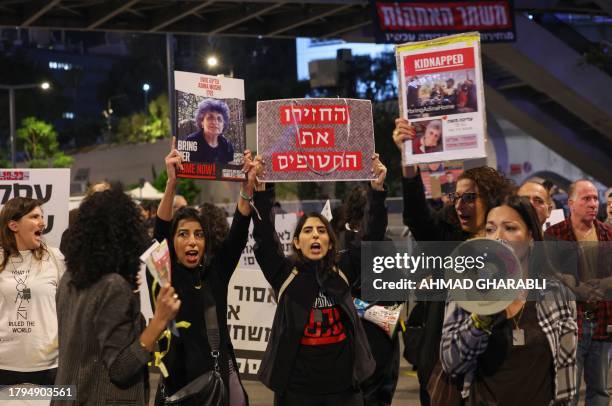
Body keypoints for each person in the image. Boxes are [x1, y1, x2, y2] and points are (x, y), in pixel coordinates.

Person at [392, 117, 515, 405]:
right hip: (445, 374)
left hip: (496, 371)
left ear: (492, 198)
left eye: (469, 198)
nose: (459, 205)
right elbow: (416, 217)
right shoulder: (446, 239)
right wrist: (408, 158)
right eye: (456, 197)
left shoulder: (513, 245)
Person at [251, 154, 388, 406]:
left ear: (330, 241)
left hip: (344, 391)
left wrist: (376, 191)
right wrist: (263, 188)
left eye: (321, 230)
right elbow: (264, 238)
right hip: (296, 393)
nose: (315, 235)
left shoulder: (343, 269)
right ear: (296, 242)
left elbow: (372, 238)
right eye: (308, 230)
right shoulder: (285, 274)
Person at [150, 139, 259, 405]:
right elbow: (159, 235)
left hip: (215, 390)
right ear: (172, 243)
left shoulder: (215, 274)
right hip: (176, 389)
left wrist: (246, 189)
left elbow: (238, 234)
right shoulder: (165, 276)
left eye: (198, 235)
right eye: (183, 234)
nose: (192, 241)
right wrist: (171, 183)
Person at [440, 194, 578, 405]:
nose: (498, 237)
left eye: (510, 228)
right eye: (490, 229)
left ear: (531, 236)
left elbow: (566, 370)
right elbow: (451, 364)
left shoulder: (556, 294)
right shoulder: (466, 291)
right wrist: (480, 318)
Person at [52, 186, 180, 405]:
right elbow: (121, 368)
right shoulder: (113, 286)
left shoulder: (69, 279)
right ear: (126, 233)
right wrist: (159, 320)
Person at [545, 179, 611, 406]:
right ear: (571, 203)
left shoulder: (608, 233)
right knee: (567, 393)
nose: (593, 203)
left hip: (603, 321)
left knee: (600, 390)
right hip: (570, 323)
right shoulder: (555, 235)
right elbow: (549, 274)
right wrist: (577, 287)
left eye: (595, 198)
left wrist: (604, 284)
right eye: (586, 199)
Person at [335, 184, 401, 406]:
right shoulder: (341, 248)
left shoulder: (340, 246)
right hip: (359, 350)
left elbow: (395, 304)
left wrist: (356, 305)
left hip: (379, 346)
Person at [0, 197, 65, 386]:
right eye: (35, 216)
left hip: (50, 367)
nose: (42, 223)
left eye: (42, 216)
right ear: (14, 225)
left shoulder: (55, 257)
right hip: (4, 366)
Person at [184, 98, 235, 164]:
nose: (215, 122)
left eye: (219, 119)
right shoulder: (191, 141)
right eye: (210, 118)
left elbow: (230, 171)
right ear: (202, 122)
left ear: (223, 125)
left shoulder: (227, 145)